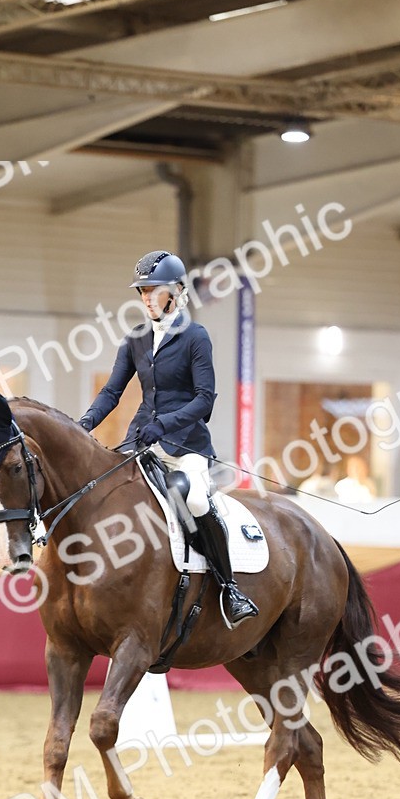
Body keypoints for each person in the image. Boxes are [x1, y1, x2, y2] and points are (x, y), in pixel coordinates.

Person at [78, 249, 258, 628]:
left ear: (176, 292)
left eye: (152, 290)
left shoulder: (196, 337)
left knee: (192, 497)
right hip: (142, 439)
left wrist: (167, 424)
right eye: (141, 291)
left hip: (185, 444)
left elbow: (204, 399)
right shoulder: (136, 338)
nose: (145, 297)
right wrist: (83, 425)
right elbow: (112, 392)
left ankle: (229, 588)